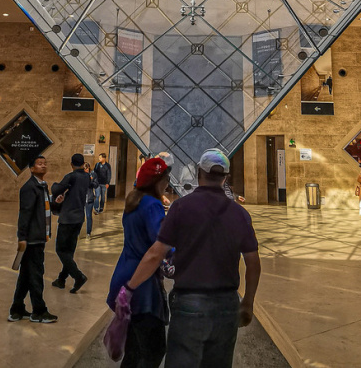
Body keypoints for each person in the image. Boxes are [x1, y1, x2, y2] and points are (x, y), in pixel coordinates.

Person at [122, 149, 261, 368]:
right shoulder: (239, 214)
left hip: (189, 302)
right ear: (225, 176)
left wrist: (129, 288)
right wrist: (248, 303)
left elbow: (156, 253)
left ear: (199, 173)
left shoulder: (181, 207)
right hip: (226, 303)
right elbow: (253, 263)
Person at [107, 157, 171, 368]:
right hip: (141, 282)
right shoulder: (153, 205)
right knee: (154, 349)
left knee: (134, 347)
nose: (168, 183)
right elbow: (160, 242)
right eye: (165, 179)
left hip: (124, 271)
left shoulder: (134, 200)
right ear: (156, 182)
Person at [9, 155, 62, 323]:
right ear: (31, 169)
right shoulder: (29, 188)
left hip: (39, 237)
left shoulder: (42, 186)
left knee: (26, 275)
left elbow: (45, 208)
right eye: (39, 164)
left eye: (45, 163)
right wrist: (22, 237)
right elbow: (25, 214)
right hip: (33, 239)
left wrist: (56, 203)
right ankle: (39, 311)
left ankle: (16, 309)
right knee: (36, 275)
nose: (43, 166)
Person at [51, 153, 91, 293]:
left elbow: (56, 189)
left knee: (60, 250)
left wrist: (55, 185)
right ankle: (61, 279)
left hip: (68, 218)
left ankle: (78, 276)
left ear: (71, 164)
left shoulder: (71, 176)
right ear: (83, 163)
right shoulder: (86, 176)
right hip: (79, 218)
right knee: (69, 251)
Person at [84, 162, 98, 238]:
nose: (86, 170)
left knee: (89, 215)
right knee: (80, 216)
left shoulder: (93, 175)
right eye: (84, 168)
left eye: (87, 168)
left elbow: (96, 185)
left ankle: (88, 232)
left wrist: (90, 182)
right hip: (81, 198)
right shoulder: (80, 176)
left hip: (89, 197)